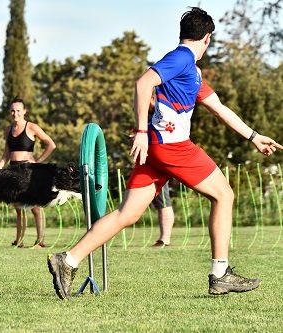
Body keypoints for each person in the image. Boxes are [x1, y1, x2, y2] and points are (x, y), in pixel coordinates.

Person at [47, 7, 282, 299]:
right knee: (225, 194)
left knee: (126, 214)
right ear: (207, 38)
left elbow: (220, 108)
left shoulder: (192, 72)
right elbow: (143, 83)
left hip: (160, 149)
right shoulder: (182, 58)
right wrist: (142, 132)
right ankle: (220, 274)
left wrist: (255, 137)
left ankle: (67, 260)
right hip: (172, 146)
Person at [0, 97, 56, 248]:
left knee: (35, 207)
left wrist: (38, 161)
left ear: (24, 111)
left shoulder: (32, 127)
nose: (15, 113)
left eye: (18, 110)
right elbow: (6, 153)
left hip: (28, 170)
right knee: (18, 207)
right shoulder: (8, 130)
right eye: (13, 111)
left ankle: (40, 240)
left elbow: (51, 145)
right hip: (13, 170)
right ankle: (18, 240)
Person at [151, 181, 175, 247]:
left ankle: (165, 240)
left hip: (158, 176)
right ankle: (164, 239)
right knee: (162, 204)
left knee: (163, 203)